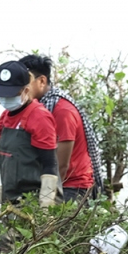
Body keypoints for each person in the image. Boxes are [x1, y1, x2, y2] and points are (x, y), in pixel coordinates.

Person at [19, 53, 105, 201]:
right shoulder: (36, 106)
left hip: (73, 187)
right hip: (49, 179)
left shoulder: (62, 112)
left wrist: (43, 199)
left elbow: (61, 167)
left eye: (24, 82)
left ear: (41, 81)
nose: (20, 88)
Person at [0, 59, 59, 207]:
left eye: (11, 94)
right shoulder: (4, 118)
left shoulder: (40, 117)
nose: (6, 99)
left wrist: (46, 206)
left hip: (33, 201)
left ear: (26, 90)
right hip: (12, 200)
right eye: (3, 94)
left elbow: (50, 165)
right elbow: (7, 164)